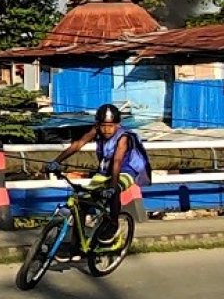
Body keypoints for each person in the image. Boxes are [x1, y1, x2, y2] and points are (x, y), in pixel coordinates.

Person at [45, 104, 151, 245]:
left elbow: (117, 162)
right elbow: (78, 144)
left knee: (115, 191)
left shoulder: (123, 137)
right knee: (82, 203)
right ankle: (77, 244)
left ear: (117, 124)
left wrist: (112, 187)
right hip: (105, 171)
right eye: (103, 126)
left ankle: (113, 224)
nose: (107, 130)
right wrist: (56, 161)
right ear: (98, 124)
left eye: (110, 126)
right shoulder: (96, 130)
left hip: (126, 170)